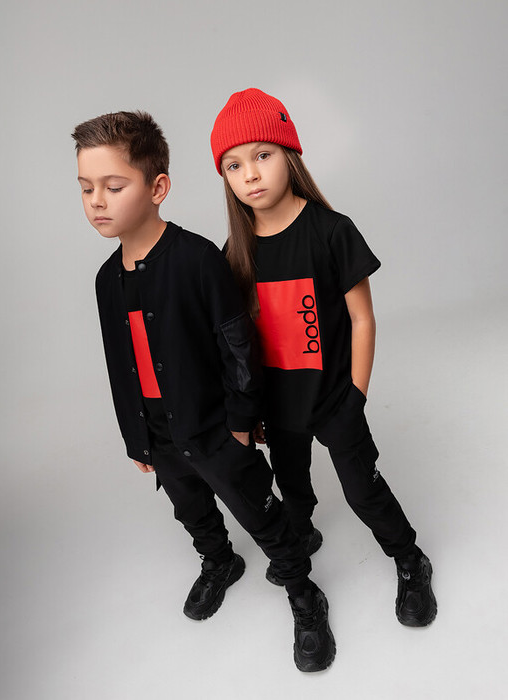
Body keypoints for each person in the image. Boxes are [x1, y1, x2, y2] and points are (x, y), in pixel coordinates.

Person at [71, 110, 335, 672]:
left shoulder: (197, 259)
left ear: (157, 187)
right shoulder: (105, 280)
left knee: (259, 511)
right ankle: (219, 561)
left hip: (214, 427)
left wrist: (240, 421)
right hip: (159, 432)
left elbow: (238, 347)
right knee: (189, 507)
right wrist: (136, 437)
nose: (97, 201)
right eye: (86, 188)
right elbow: (120, 365)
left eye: (113, 186)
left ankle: (303, 591)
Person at [210, 88, 437, 628]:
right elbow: (241, 344)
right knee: (292, 487)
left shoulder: (332, 231)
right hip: (279, 408)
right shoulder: (235, 253)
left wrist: (356, 394)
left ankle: (409, 559)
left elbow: (363, 318)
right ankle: (303, 533)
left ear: (289, 155)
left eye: (262, 155)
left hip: (335, 398)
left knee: (363, 490)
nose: (250, 174)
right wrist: (250, 409)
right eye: (234, 165)